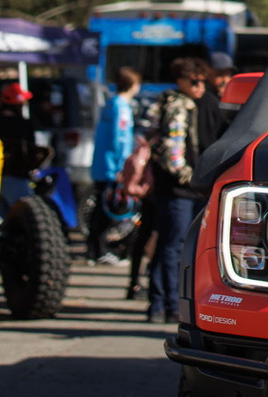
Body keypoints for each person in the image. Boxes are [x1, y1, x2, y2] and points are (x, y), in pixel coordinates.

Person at [147, 64, 208, 324]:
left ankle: (159, 303)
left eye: (202, 81)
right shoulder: (177, 107)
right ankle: (169, 304)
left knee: (168, 245)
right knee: (174, 247)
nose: (200, 86)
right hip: (178, 189)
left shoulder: (184, 104)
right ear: (181, 80)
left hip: (178, 188)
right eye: (194, 80)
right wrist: (189, 177)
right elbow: (173, 153)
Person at [87, 67, 140, 263]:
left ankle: (94, 250)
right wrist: (122, 167)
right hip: (112, 167)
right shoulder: (122, 107)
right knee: (106, 211)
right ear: (133, 85)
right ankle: (100, 251)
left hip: (102, 164)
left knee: (99, 210)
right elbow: (120, 140)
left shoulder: (109, 104)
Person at [0, 79, 40, 210]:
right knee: (27, 210)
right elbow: (31, 149)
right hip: (17, 174)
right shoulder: (24, 124)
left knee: (0, 211)